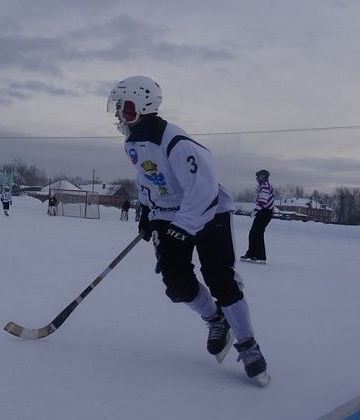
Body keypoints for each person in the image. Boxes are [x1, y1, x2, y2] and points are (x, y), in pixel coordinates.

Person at [107, 75, 268, 385]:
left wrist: (183, 229)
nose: (119, 116)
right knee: (176, 283)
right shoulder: (132, 143)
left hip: (209, 212)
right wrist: (146, 212)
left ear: (141, 107)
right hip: (169, 215)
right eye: (118, 109)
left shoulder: (175, 142)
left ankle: (248, 344)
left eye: (124, 109)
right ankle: (215, 320)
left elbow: (203, 188)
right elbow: (148, 180)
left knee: (219, 278)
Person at [242, 170, 274, 264]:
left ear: (262, 177)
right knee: (256, 233)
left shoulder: (265, 186)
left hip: (264, 212)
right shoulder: (266, 185)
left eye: (257, 177)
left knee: (256, 233)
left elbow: (262, 201)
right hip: (265, 212)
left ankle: (258, 256)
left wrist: (255, 211)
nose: (256, 179)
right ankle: (254, 254)